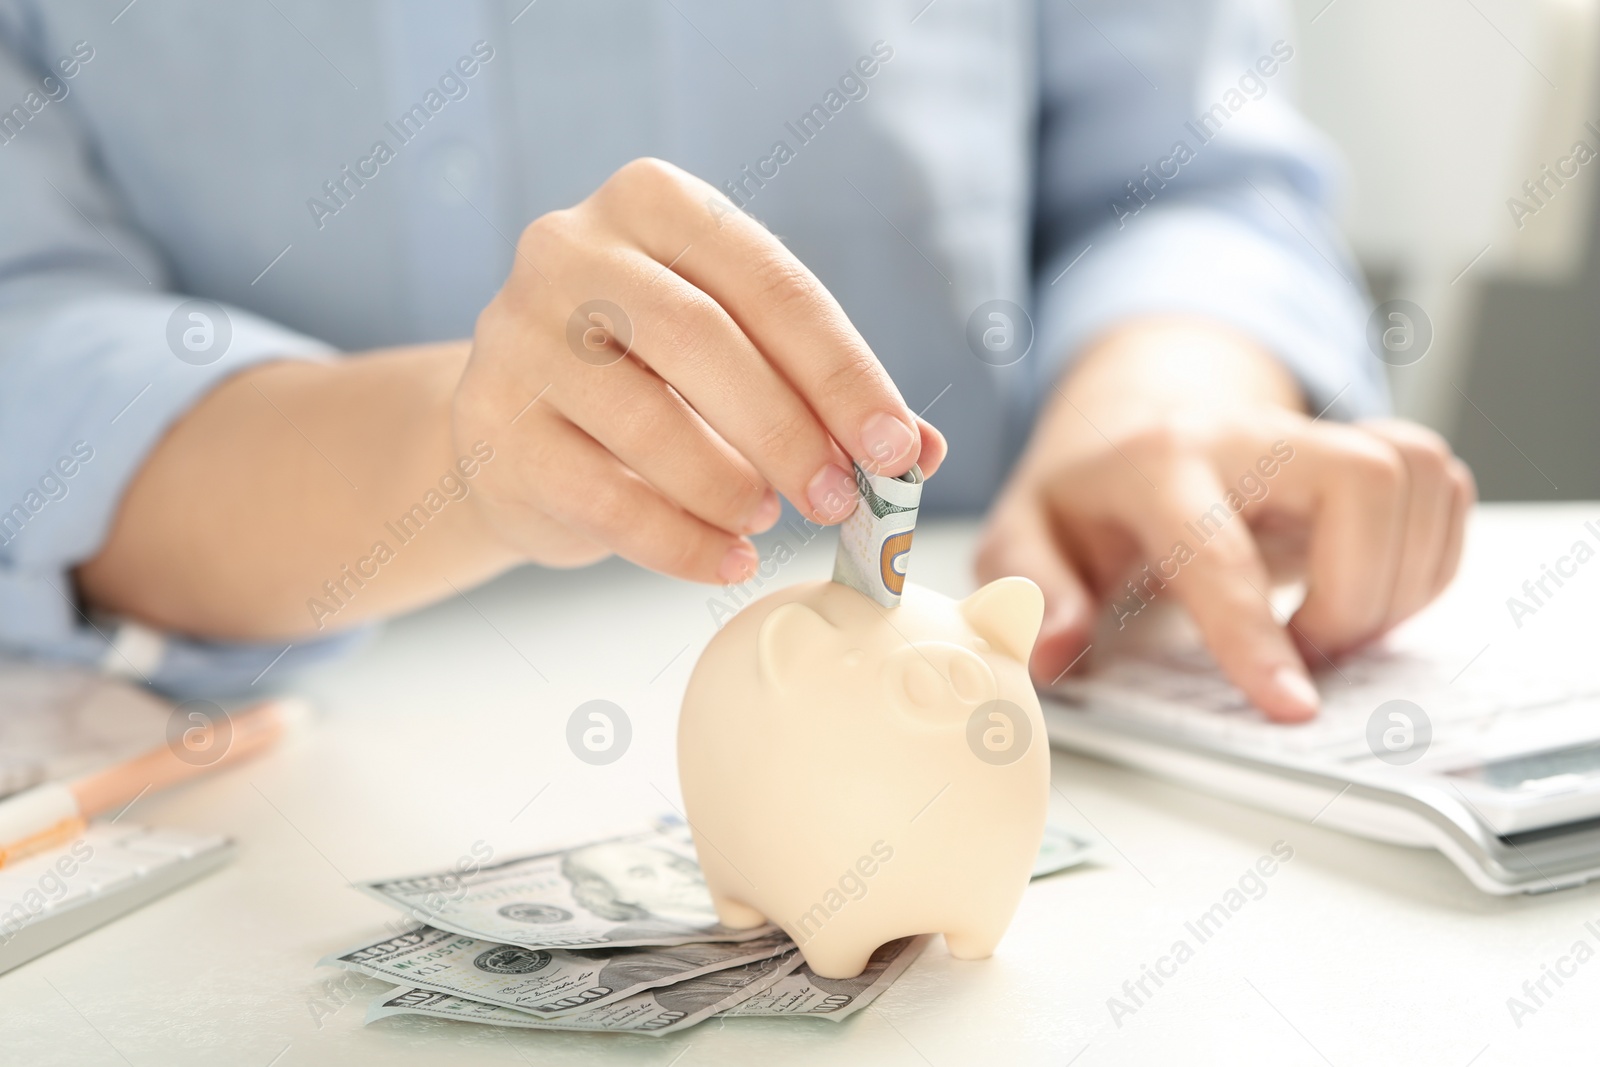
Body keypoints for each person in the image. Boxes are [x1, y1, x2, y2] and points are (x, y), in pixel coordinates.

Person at [0, 1, 1471, 721]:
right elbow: (28, 343)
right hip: (243, 746)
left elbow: (1182, 179)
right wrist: (451, 457)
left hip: (1037, 681)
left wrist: (1164, 406)